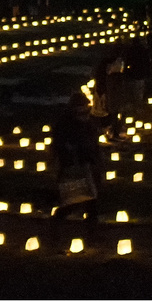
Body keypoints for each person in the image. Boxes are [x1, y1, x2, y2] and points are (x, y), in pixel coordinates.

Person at [50, 94, 103, 236]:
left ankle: (93, 233)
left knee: (92, 202)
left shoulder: (88, 123)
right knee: (74, 202)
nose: (84, 112)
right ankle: (56, 222)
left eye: (86, 108)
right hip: (73, 168)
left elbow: (93, 144)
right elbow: (61, 147)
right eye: (80, 109)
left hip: (88, 167)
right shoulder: (65, 125)